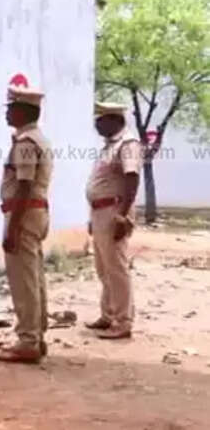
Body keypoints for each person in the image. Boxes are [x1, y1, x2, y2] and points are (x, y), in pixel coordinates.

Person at [0, 85, 53, 364]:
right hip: (33, 213)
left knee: (24, 280)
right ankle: (35, 336)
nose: (7, 113)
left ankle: (28, 340)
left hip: (25, 214)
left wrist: (13, 227)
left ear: (22, 111)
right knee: (34, 276)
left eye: (10, 108)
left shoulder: (27, 143)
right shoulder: (34, 139)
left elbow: (24, 186)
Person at [84, 102, 141, 340]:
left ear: (115, 120)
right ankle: (108, 315)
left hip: (114, 211)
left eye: (101, 120)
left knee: (116, 268)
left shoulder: (127, 144)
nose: (96, 125)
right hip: (100, 212)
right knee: (103, 267)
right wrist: (92, 217)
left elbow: (132, 179)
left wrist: (122, 215)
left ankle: (123, 321)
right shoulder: (109, 146)